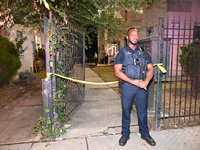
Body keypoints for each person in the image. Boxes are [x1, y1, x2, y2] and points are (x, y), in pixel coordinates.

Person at [114, 27, 156, 146]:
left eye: (137, 35)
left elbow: (151, 69)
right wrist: (133, 82)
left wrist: (146, 82)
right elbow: (118, 72)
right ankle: (125, 134)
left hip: (142, 87)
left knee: (142, 111)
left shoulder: (144, 52)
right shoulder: (121, 53)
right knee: (126, 111)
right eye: (132, 34)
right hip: (127, 87)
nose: (135, 37)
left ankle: (145, 133)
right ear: (127, 37)